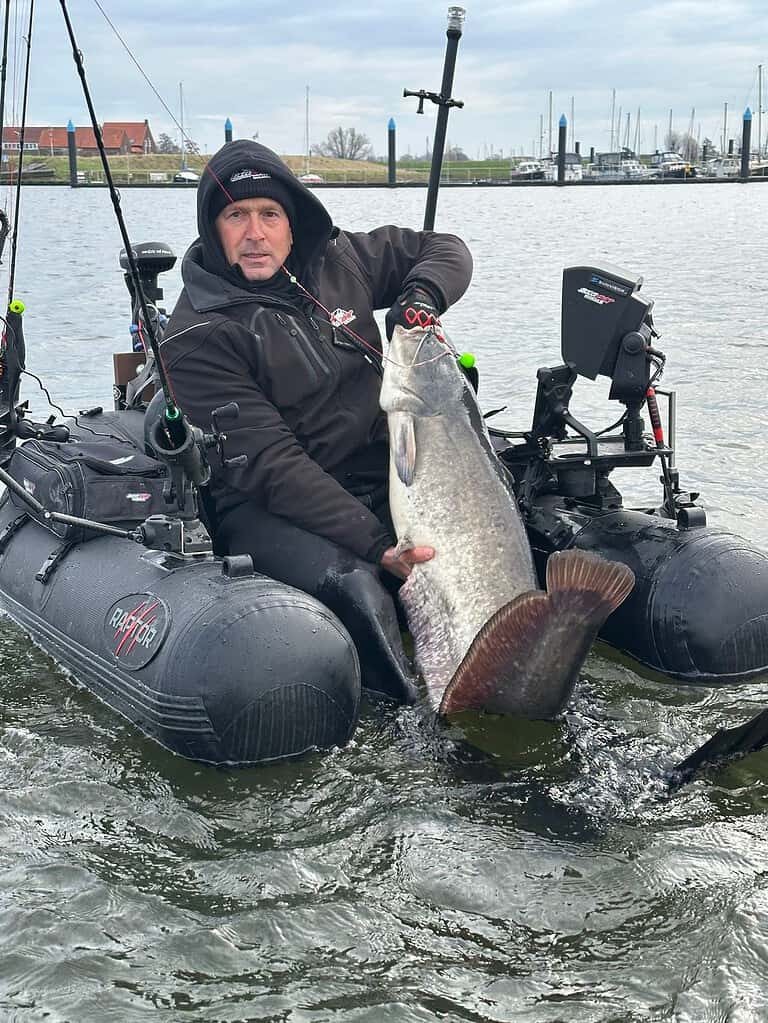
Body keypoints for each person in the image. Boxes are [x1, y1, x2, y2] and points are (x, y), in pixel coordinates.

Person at [161, 139, 472, 702]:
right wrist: (379, 545)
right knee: (358, 587)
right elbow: (273, 466)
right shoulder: (192, 336)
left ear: (292, 223)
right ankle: (414, 727)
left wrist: (420, 297)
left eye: (269, 215)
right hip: (266, 505)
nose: (254, 233)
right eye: (236, 214)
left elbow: (447, 248)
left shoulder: (339, 259)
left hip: (379, 470)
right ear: (214, 228)